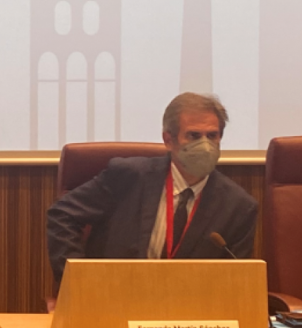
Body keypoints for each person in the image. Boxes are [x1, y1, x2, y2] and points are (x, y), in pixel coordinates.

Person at [46, 93, 257, 280]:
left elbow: (235, 280)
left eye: (212, 136)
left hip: (189, 305)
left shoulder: (238, 206)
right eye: (193, 136)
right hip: (116, 295)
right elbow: (62, 215)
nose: (205, 145)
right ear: (168, 140)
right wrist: (78, 280)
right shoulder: (128, 177)